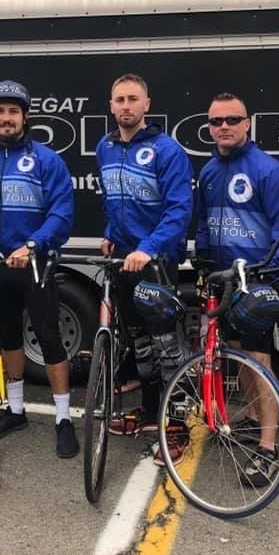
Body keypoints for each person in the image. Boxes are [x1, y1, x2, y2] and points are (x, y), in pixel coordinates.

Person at [0, 80, 78, 458]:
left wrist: (32, 245)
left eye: (13, 111)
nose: (6, 118)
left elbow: (62, 214)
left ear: (25, 117)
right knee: (9, 338)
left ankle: (63, 419)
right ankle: (16, 410)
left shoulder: (46, 160)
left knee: (48, 337)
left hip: (35, 264)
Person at [195, 92, 279, 484]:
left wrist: (265, 275)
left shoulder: (270, 171)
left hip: (258, 282)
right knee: (237, 355)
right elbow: (205, 222)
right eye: (215, 121)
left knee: (260, 361)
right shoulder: (209, 172)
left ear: (247, 123)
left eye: (231, 120)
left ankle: (268, 448)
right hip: (223, 279)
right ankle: (255, 419)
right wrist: (204, 259)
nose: (223, 127)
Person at [97, 73, 193, 466]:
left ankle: (177, 425)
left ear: (146, 105)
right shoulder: (104, 147)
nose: (125, 106)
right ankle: (151, 412)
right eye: (119, 99)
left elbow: (178, 211)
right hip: (123, 261)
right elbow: (113, 202)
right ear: (111, 105)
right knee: (140, 346)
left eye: (132, 99)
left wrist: (148, 249)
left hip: (156, 264)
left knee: (168, 349)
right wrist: (109, 235)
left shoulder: (166, 150)